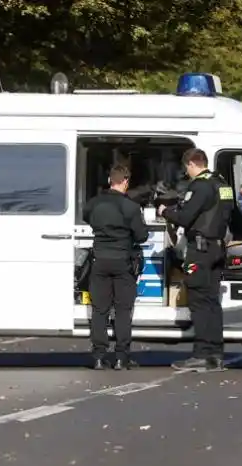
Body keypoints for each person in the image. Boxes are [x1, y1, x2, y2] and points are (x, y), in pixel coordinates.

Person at [158, 148, 232, 372]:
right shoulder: (223, 184)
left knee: (199, 302)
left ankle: (201, 354)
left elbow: (185, 217)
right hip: (217, 249)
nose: (186, 173)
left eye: (186, 168)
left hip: (199, 252)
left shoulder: (200, 185)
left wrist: (164, 211)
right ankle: (216, 354)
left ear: (191, 164)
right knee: (212, 302)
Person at [82, 165, 149, 370]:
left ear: (110, 180)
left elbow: (87, 218)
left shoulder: (93, 204)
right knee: (122, 310)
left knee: (99, 310)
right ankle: (121, 357)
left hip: (99, 260)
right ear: (126, 181)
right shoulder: (130, 207)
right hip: (123, 261)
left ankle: (99, 357)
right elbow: (142, 236)